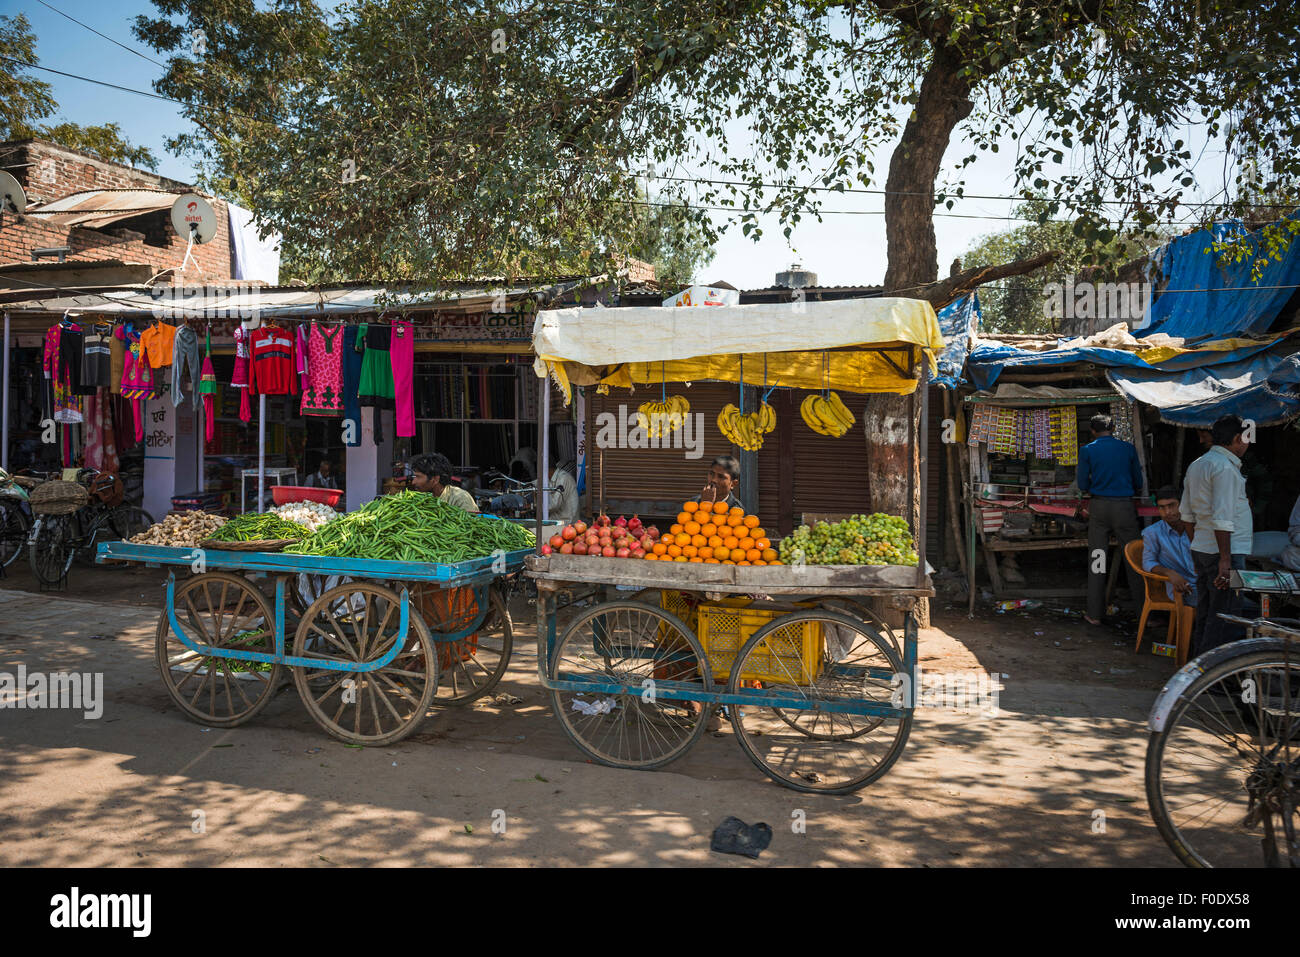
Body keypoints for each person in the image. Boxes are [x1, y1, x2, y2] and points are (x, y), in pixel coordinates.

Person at [1180, 413, 1253, 656]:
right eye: (1245, 437)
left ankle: (1199, 666)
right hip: (1225, 554)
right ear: (1236, 438)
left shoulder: (1198, 464)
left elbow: (1186, 515)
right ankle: (1216, 672)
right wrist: (1225, 559)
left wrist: (1196, 548)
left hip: (1203, 549)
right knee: (1226, 615)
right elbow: (1222, 518)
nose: (1247, 443)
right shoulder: (1224, 468)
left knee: (1207, 610)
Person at [1076, 412, 1144, 625]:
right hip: (1124, 508)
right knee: (1134, 559)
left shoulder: (1087, 450)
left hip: (1099, 509)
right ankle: (1145, 613)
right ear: (1112, 428)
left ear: (1093, 431)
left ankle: (1094, 614)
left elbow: (1082, 485)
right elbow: (1138, 481)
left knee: (1097, 559)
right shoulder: (1128, 449)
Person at [1142, 486, 1197, 607]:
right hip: (1182, 590)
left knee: (1242, 607)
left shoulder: (1197, 527)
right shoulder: (1152, 533)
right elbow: (1147, 562)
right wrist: (1169, 572)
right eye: (1162, 507)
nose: (1167, 512)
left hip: (1206, 585)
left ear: (1182, 504)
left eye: (1172, 505)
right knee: (1219, 608)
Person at [409, 452, 479, 513]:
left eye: (418, 477)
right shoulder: (421, 499)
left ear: (435, 479)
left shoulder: (460, 499)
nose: (413, 482)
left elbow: (469, 525)